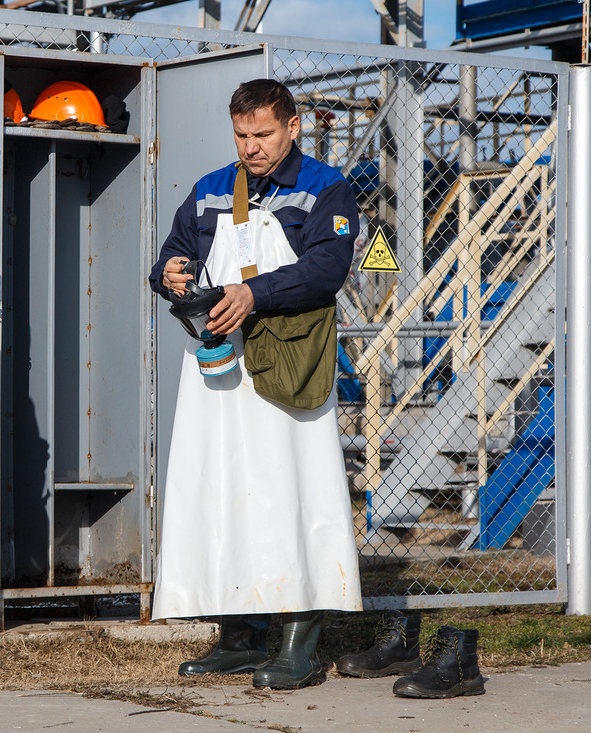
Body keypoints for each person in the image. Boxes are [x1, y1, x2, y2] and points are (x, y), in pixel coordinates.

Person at [149, 79, 363, 690]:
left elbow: (326, 271)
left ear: (293, 127)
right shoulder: (209, 189)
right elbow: (171, 257)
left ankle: (299, 641)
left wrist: (254, 293)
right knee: (221, 490)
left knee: (294, 492)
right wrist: (168, 274)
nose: (251, 147)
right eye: (241, 135)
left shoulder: (327, 189)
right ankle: (239, 636)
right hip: (218, 365)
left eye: (263, 134)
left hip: (290, 366)